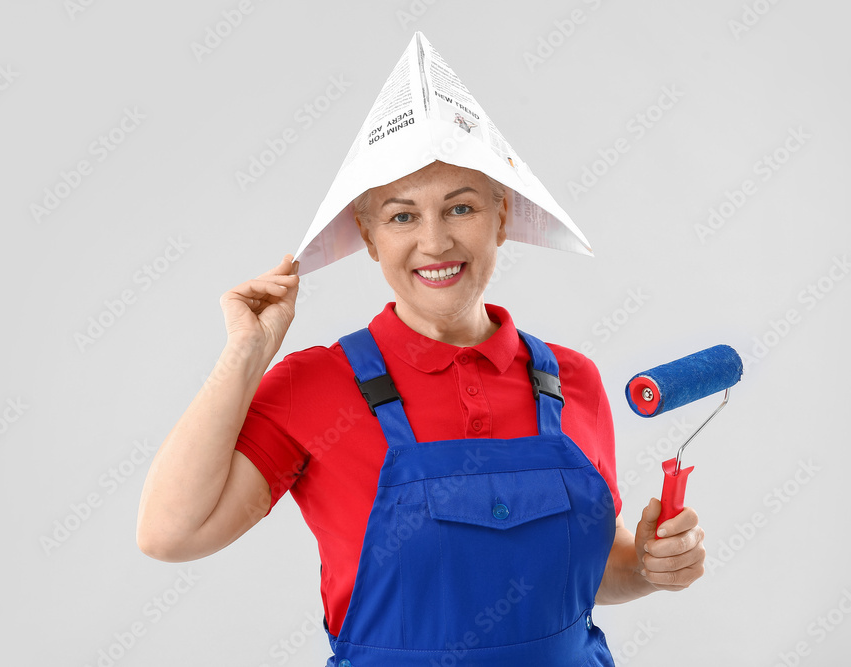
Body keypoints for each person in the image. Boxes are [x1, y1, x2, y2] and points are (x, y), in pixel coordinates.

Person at [136, 159, 707, 666]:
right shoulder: (314, 386)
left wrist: (648, 565)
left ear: (501, 217)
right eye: (402, 216)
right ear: (368, 235)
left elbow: (591, 571)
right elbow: (170, 534)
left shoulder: (570, 380)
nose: (434, 242)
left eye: (460, 208)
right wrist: (245, 353)